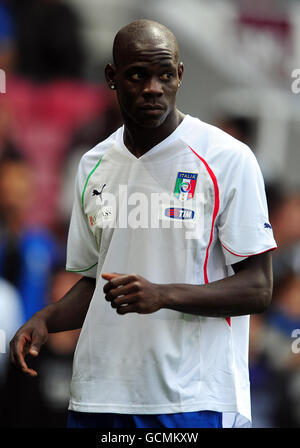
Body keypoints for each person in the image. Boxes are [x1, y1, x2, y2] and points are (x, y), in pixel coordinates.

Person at [10, 19, 277, 429]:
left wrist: (162, 294)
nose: (153, 88)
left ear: (180, 76)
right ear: (112, 78)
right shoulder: (93, 164)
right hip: (97, 396)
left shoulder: (227, 159)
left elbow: (258, 288)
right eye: (138, 75)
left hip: (191, 396)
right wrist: (47, 319)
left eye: (164, 75)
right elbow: (95, 283)